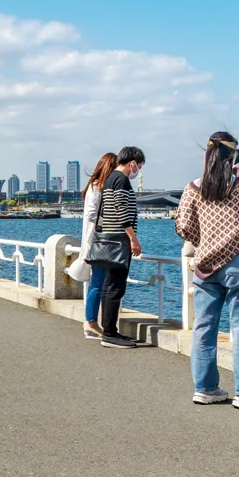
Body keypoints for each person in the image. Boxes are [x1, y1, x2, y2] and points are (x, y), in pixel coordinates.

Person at [175, 133, 239, 409]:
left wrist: (204, 239)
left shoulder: (194, 187)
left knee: (203, 328)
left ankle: (205, 387)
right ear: (233, 156)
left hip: (205, 264)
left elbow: (183, 226)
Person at [96, 147, 145, 350]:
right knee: (116, 286)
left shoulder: (110, 179)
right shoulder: (121, 180)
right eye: (139, 166)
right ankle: (109, 333)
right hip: (119, 239)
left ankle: (109, 330)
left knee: (109, 286)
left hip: (109, 237)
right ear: (132, 162)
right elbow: (122, 211)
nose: (138, 170)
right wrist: (133, 238)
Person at [68, 154, 118, 340]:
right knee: (98, 283)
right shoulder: (97, 186)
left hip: (99, 241)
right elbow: (91, 215)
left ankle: (92, 322)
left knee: (99, 282)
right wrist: (112, 222)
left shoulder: (97, 185)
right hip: (98, 242)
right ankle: (90, 322)